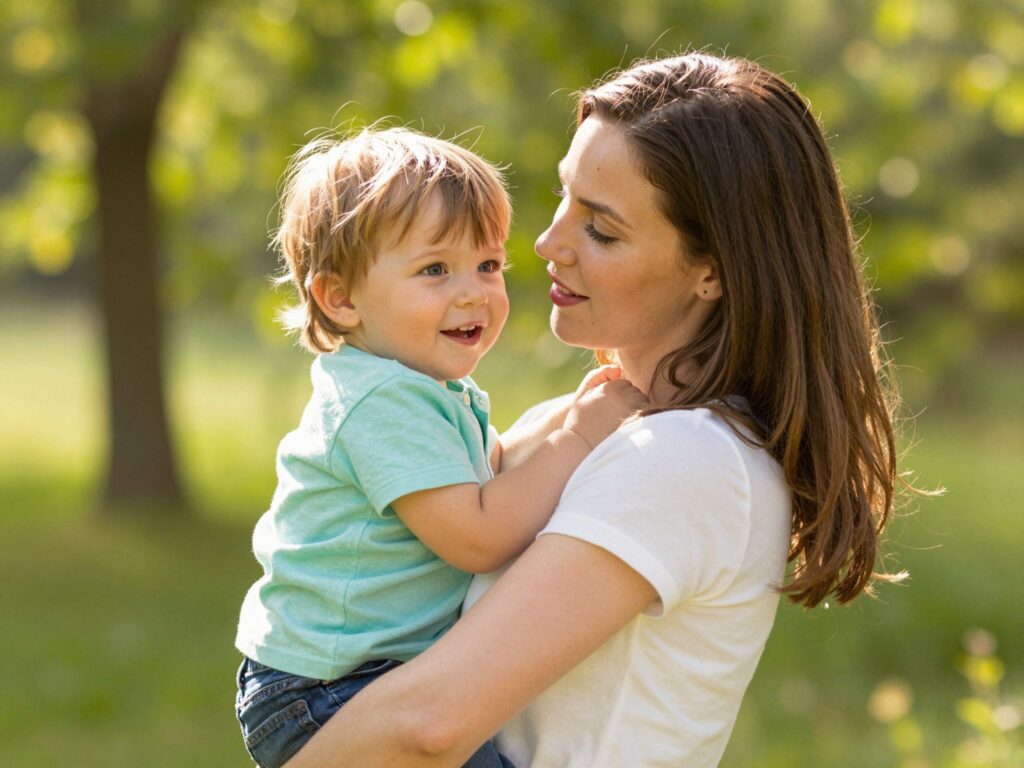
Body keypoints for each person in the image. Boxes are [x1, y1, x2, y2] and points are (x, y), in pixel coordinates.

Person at [282, 52, 904, 768]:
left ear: (713, 271)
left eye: (601, 231)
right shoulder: (597, 422)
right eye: (563, 199)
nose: (547, 245)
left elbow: (427, 724)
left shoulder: (685, 460)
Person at [233, 127, 647, 768]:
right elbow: (479, 534)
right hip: (326, 691)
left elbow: (488, 475)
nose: (473, 292)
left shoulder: (419, 386)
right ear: (340, 298)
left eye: (488, 265)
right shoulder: (382, 402)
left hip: (351, 677)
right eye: (434, 270)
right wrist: (581, 433)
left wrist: (574, 413)